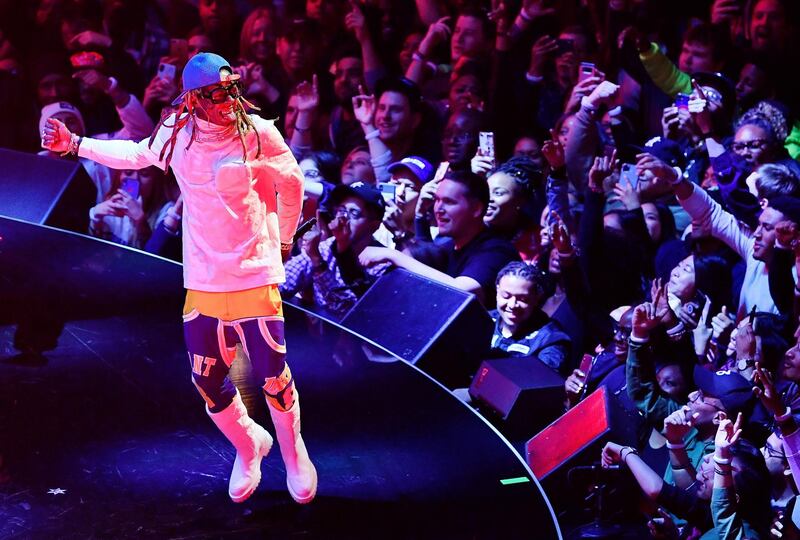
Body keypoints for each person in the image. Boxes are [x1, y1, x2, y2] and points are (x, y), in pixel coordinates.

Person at [41, 52, 316, 505]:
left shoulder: (260, 134)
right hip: (205, 279)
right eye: (215, 94)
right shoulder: (177, 132)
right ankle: (250, 447)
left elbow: (292, 184)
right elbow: (137, 154)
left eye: (231, 90)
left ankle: (293, 453)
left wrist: (284, 240)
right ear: (193, 99)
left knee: (272, 375)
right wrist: (77, 145)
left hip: (253, 274)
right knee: (207, 380)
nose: (227, 102)